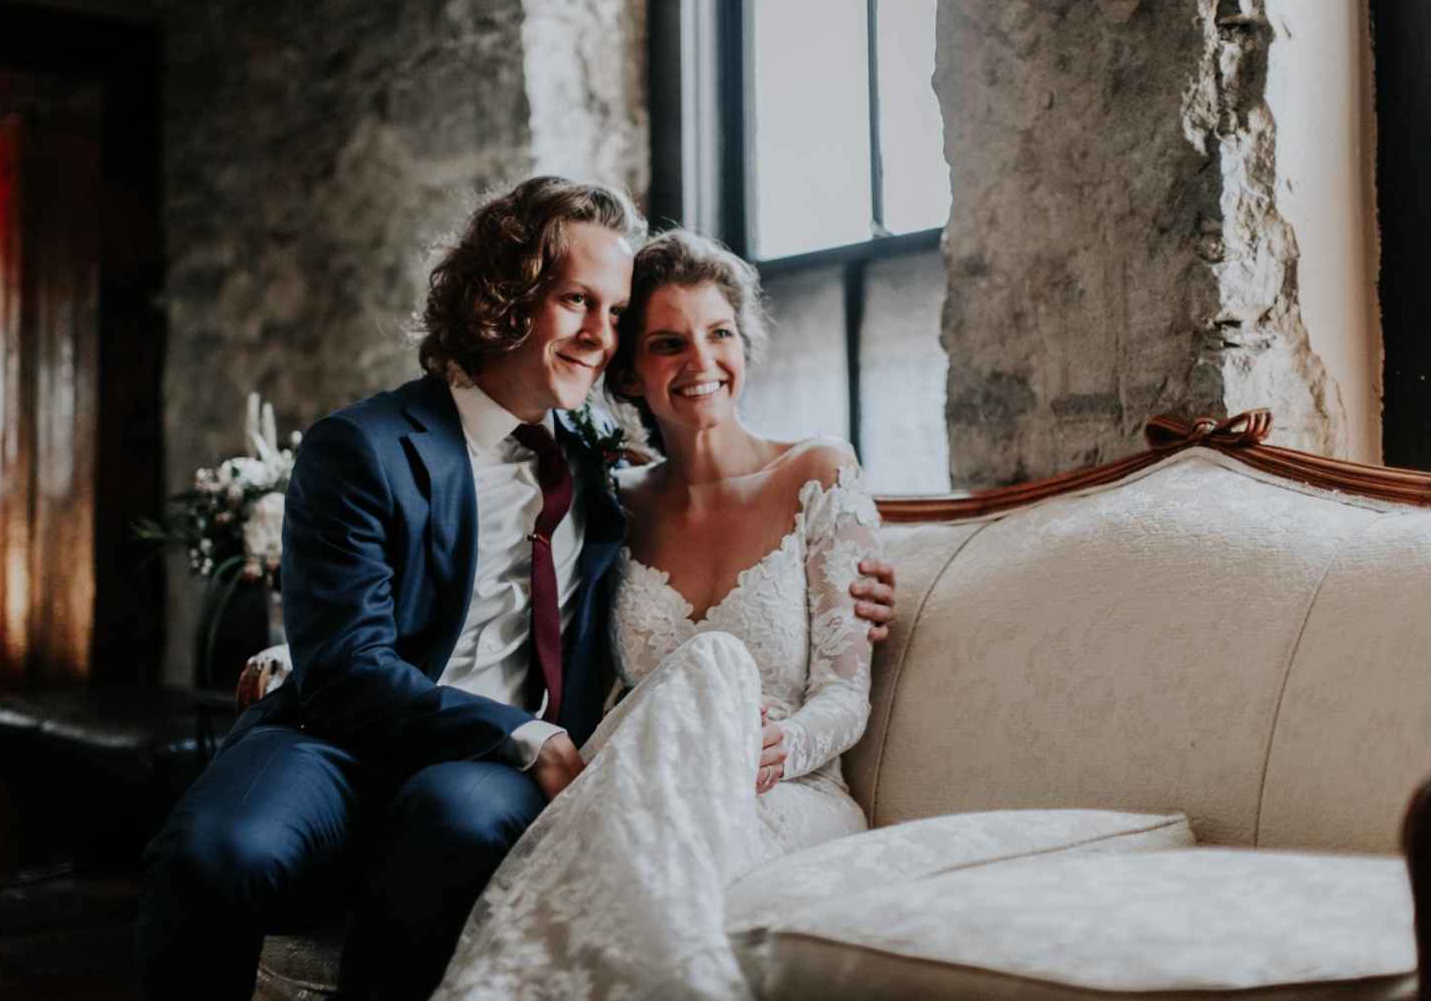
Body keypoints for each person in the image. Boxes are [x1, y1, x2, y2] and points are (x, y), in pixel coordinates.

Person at [136, 180, 897, 1001]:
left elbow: (752, 542)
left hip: (480, 772)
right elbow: (351, 657)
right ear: (504, 296)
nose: (599, 335)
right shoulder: (363, 446)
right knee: (215, 852)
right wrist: (514, 730)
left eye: (615, 313)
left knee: (452, 823)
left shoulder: (598, 468)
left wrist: (871, 574)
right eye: (577, 301)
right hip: (342, 740)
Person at [433, 229, 885, 998]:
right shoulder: (614, 503)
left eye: (720, 333)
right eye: (669, 343)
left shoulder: (818, 470)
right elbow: (492, 609)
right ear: (630, 373)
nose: (701, 361)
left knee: (717, 662)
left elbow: (847, 695)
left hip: (785, 790)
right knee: (693, 688)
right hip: (645, 783)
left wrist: (775, 747)